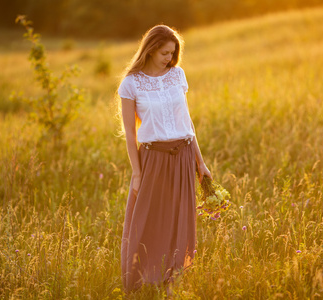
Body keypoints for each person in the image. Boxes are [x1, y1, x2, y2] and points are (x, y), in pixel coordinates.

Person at [117, 24, 212, 293]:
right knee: (147, 219)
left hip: (182, 156)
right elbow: (129, 133)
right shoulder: (131, 83)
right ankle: (140, 279)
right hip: (153, 159)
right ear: (150, 49)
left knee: (180, 219)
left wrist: (200, 163)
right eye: (164, 53)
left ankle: (173, 282)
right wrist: (137, 172)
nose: (169, 59)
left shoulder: (177, 75)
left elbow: (186, 122)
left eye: (172, 53)